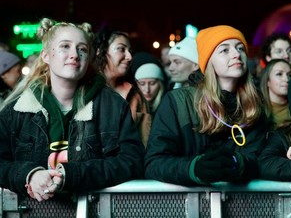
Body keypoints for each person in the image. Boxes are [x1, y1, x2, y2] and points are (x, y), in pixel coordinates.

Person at [0, 18, 144, 202]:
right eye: (65, 46)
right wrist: (29, 175)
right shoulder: (16, 110)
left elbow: (132, 161)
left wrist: (71, 175)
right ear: (45, 56)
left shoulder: (112, 106)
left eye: (82, 49)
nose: (74, 54)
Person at [144, 25, 266, 186]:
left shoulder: (253, 105)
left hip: (241, 206)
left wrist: (241, 164)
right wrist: (193, 168)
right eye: (224, 50)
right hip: (187, 206)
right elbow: (154, 163)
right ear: (208, 60)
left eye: (240, 48)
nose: (237, 54)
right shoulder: (178, 102)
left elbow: (261, 159)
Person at [94, 27, 152, 147]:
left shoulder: (135, 95)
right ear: (100, 51)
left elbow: (145, 142)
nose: (129, 57)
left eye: (130, 51)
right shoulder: (85, 91)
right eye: (121, 49)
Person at [129, 52, 168, 117]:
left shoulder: (168, 108)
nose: (147, 90)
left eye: (152, 83)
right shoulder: (128, 109)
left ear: (160, 84)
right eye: (142, 83)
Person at [260, 59, 291, 130]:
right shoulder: (258, 111)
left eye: (290, 75)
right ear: (267, 81)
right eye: (279, 74)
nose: (287, 79)